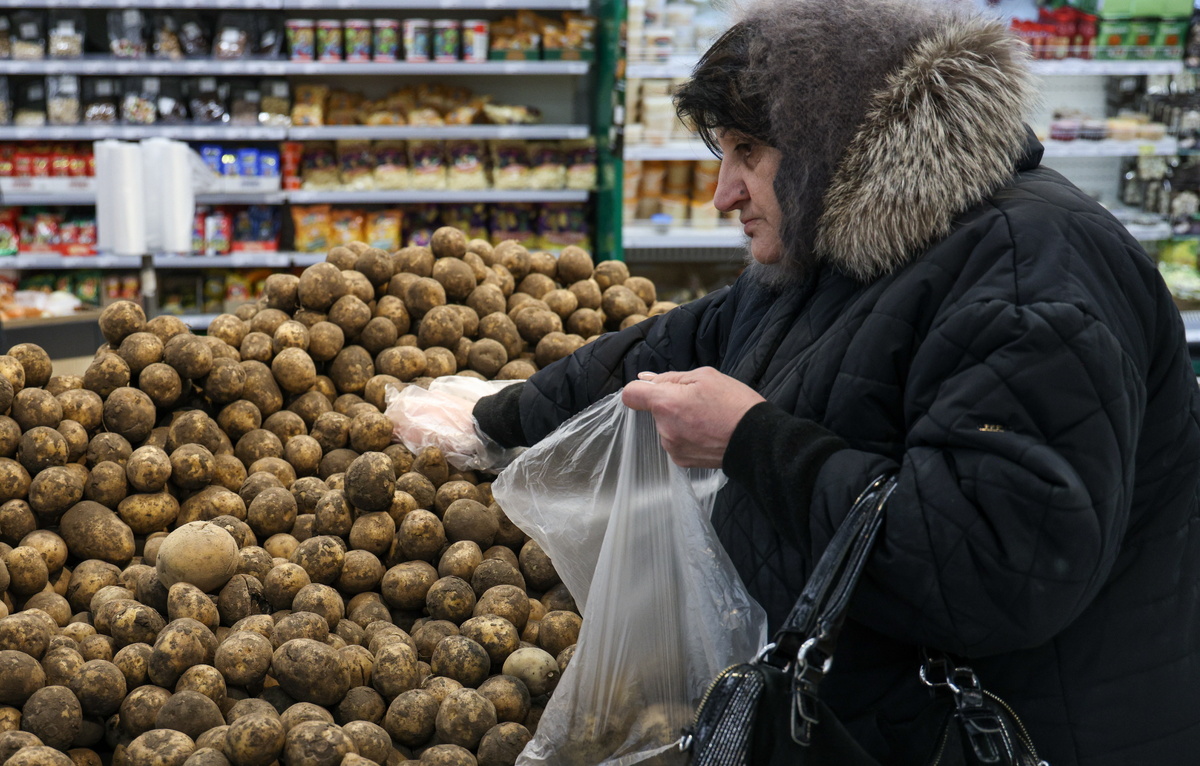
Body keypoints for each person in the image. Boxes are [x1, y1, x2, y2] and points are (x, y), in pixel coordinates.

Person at [405, 0, 1200, 762]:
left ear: (832, 139)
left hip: (1014, 733)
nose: (723, 194)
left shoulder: (1033, 273)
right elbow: (690, 335)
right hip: (864, 722)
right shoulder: (859, 238)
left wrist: (752, 440)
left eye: (747, 153)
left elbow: (996, 572)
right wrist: (495, 417)